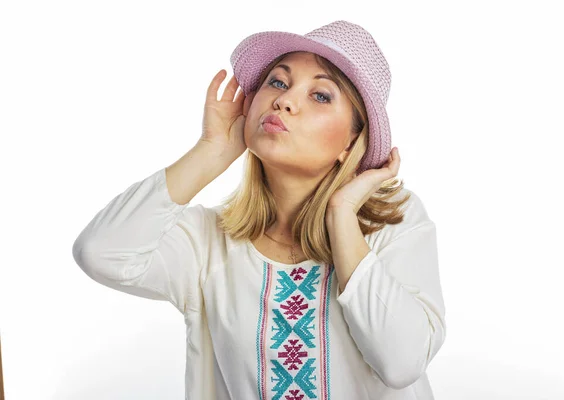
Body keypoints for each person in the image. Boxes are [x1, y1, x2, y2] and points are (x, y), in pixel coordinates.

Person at [72, 20, 446, 400]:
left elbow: (402, 363)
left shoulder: (393, 223)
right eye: (278, 83)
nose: (284, 100)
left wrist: (342, 214)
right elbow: (100, 253)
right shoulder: (208, 242)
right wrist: (212, 150)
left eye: (320, 95)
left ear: (351, 142)